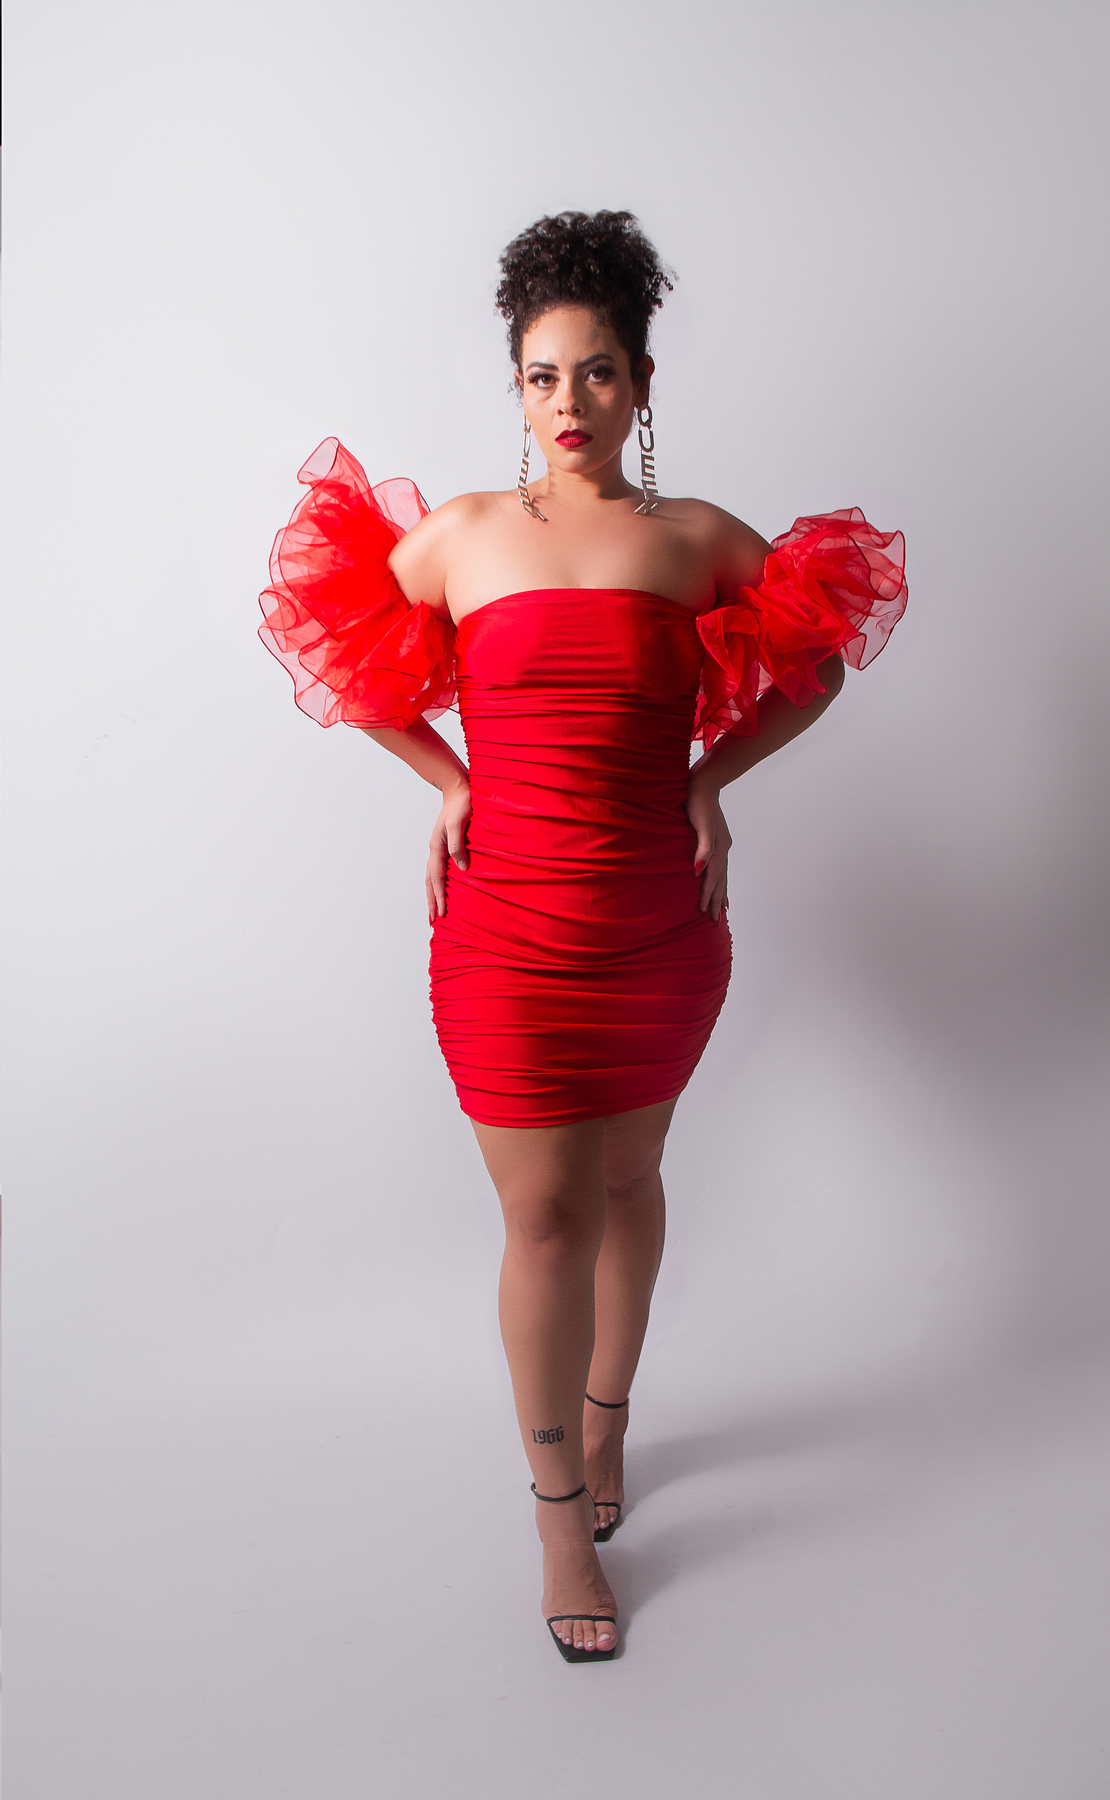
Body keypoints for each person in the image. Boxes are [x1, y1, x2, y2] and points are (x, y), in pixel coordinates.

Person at [259, 210, 907, 1662]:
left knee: (628, 1180)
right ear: (516, 386)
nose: (570, 403)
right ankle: (561, 1514)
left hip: (656, 925)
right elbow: (335, 642)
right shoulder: (463, 537)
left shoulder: (694, 541)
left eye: (598, 372)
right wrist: (448, 780)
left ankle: (610, 1418)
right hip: (502, 928)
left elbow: (817, 663)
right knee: (544, 1217)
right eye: (544, 376)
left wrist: (710, 781)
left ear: (642, 383)